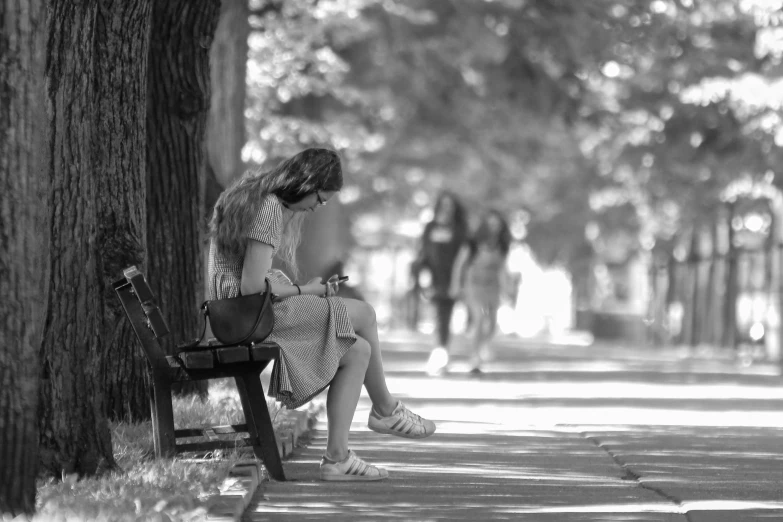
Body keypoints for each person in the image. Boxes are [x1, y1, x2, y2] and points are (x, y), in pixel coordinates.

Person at [208, 148, 435, 482]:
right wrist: (307, 291)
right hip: (249, 316)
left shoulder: (252, 194)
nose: (317, 207)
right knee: (365, 314)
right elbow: (251, 287)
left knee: (358, 350)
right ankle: (385, 409)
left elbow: (247, 279)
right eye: (320, 198)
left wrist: (300, 288)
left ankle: (336, 459)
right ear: (305, 184)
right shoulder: (269, 209)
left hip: (239, 313)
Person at [411, 191, 469, 375]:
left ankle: (441, 352)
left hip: (452, 278)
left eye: (450, 206)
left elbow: (464, 257)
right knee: (438, 315)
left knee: (445, 315)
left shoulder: (460, 229)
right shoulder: (430, 228)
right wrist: (422, 277)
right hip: (433, 278)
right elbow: (423, 254)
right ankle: (440, 352)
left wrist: (458, 282)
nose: (446, 209)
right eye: (443, 205)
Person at [453, 209, 513, 374]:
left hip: (493, 287)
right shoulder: (472, 243)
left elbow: (502, 269)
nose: (494, 228)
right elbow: (460, 264)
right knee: (479, 318)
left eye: (497, 225)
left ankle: (481, 345)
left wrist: (507, 288)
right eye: (491, 224)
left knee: (492, 324)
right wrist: (456, 285)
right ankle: (475, 358)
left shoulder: (502, 245)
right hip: (474, 285)